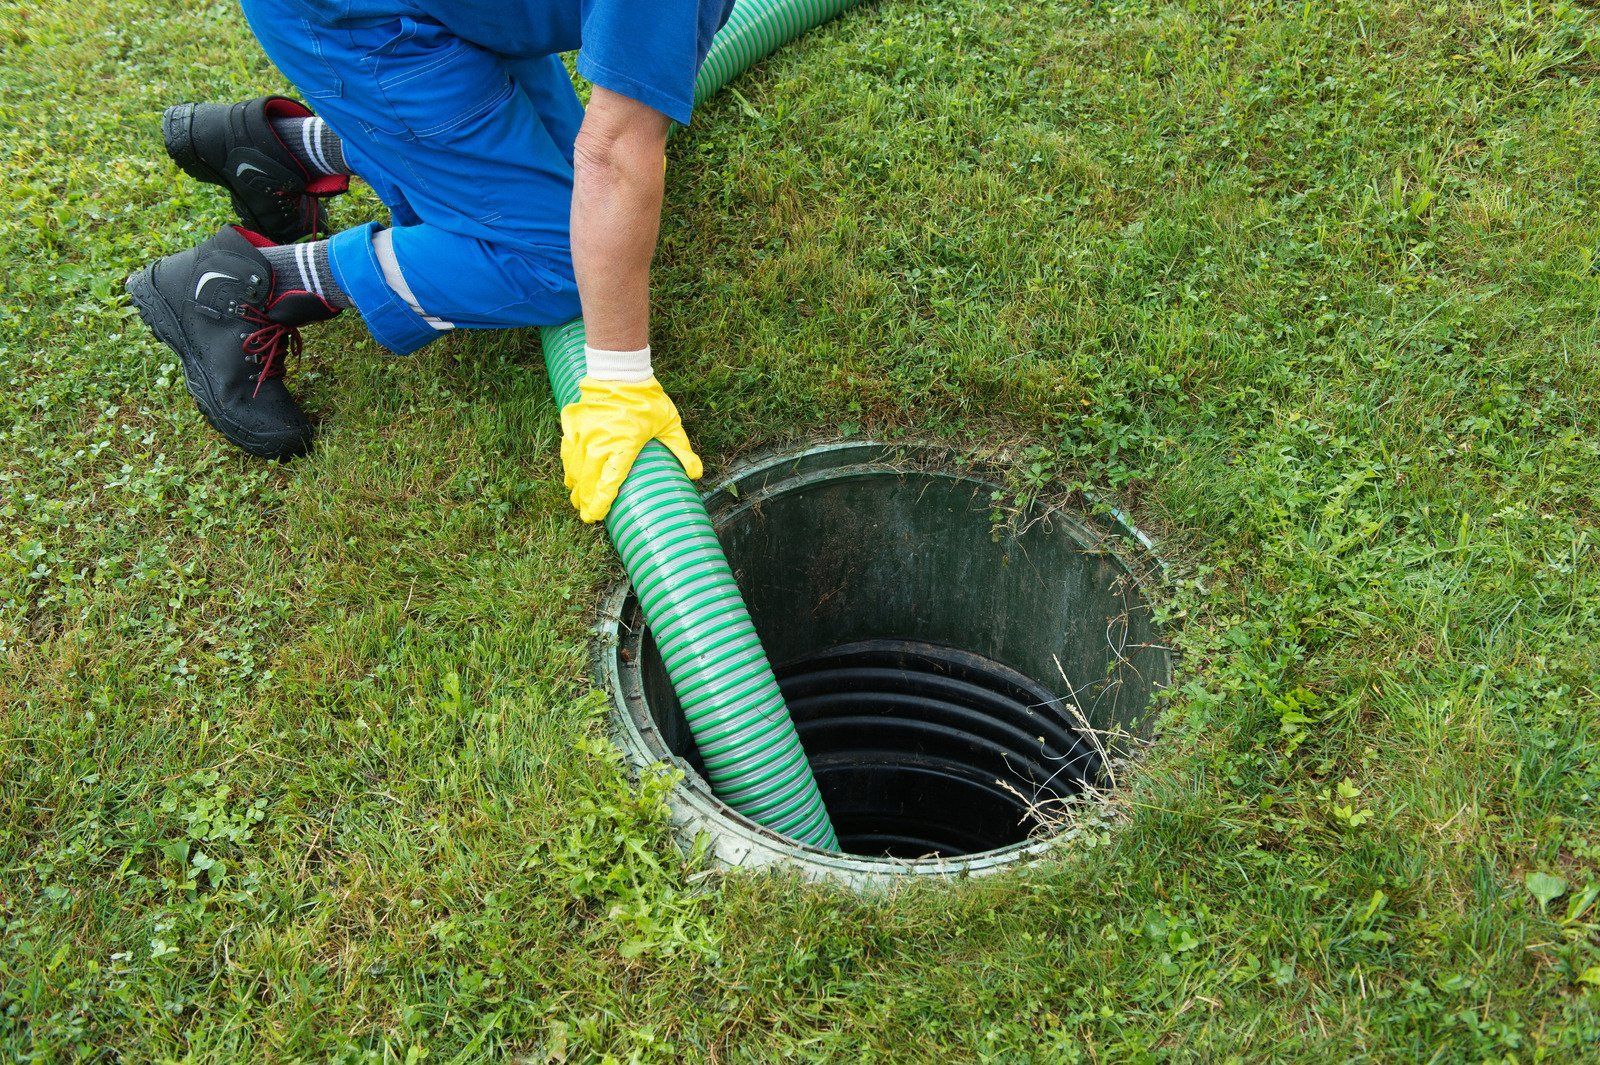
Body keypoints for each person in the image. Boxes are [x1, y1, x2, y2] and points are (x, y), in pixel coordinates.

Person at [126, 0, 731, 523]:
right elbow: (616, 152)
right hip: (357, 16)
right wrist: (620, 386)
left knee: (579, 204)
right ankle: (242, 285)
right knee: (561, 259)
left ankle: (282, 150)